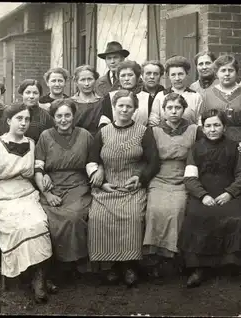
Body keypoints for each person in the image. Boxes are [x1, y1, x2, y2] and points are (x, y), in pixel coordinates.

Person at [178, 109, 241, 288]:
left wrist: (230, 193)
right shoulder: (196, 148)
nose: (212, 129)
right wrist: (203, 195)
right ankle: (199, 267)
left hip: (228, 193)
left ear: (224, 127)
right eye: (208, 125)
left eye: (217, 125)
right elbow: (190, 178)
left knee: (240, 217)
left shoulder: (235, 147)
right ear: (203, 127)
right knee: (197, 216)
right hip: (204, 194)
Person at [0, 103, 53, 303]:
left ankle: (39, 278)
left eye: (27, 119)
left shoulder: (31, 143)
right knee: (17, 227)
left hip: (26, 193)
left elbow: (38, 169)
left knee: (38, 223)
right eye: (19, 119)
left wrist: (44, 180)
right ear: (9, 121)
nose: (23, 123)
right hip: (2, 195)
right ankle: (22, 274)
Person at [86, 89, 160, 287]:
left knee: (133, 217)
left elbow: (153, 162)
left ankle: (129, 266)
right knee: (98, 217)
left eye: (129, 106)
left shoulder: (144, 132)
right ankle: (113, 266)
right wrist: (100, 180)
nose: (125, 110)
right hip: (107, 187)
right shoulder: (102, 132)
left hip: (132, 186)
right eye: (121, 106)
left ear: (135, 109)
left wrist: (139, 177)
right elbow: (91, 159)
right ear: (114, 108)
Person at [35, 99, 95, 281]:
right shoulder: (45, 136)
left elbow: (93, 162)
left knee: (73, 216)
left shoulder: (84, 135)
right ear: (53, 118)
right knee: (47, 215)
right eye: (59, 116)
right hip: (52, 185)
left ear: (74, 116)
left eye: (67, 115)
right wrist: (47, 194)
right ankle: (54, 264)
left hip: (78, 185)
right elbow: (38, 169)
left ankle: (72, 262)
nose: (63, 120)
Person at [143, 93, 198, 278]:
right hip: (159, 178)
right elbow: (149, 160)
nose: (174, 112)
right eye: (169, 108)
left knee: (177, 210)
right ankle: (155, 258)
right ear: (163, 111)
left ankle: (174, 257)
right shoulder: (154, 130)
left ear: (184, 110)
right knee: (154, 210)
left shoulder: (193, 129)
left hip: (183, 178)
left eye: (178, 108)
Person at [202, 55, 241, 166]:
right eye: (223, 70)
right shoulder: (207, 94)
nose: (227, 74)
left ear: (236, 72)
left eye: (230, 70)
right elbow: (203, 123)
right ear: (216, 73)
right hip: (216, 142)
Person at [149, 56, 204, 127]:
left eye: (180, 74)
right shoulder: (161, 96)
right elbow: (154, 120)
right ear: (168, 76)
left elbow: (200, 121)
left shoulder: (196, 96)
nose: (177, 78)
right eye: (173, 75)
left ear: (187, 74)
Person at [99, 60, 151, 127]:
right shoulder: (109, 97)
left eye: (130, 75)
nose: (126, 79)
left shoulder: (147, 97)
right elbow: (104, 120)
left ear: (137, 77)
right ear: (118, 78)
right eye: (123, 76)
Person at [17, 79, 55, 144]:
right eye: (28, 92)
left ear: (40, 95)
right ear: (22, 94)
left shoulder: (46, 116)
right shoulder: (13, 113)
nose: (31, 96)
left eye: (35, 93)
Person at [69, 64, 103, 135]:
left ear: (95, 80)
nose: (87, 84)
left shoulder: (103, 102)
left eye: (90, 79)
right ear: (76, 82)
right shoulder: (69, 103)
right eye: (83, 80)